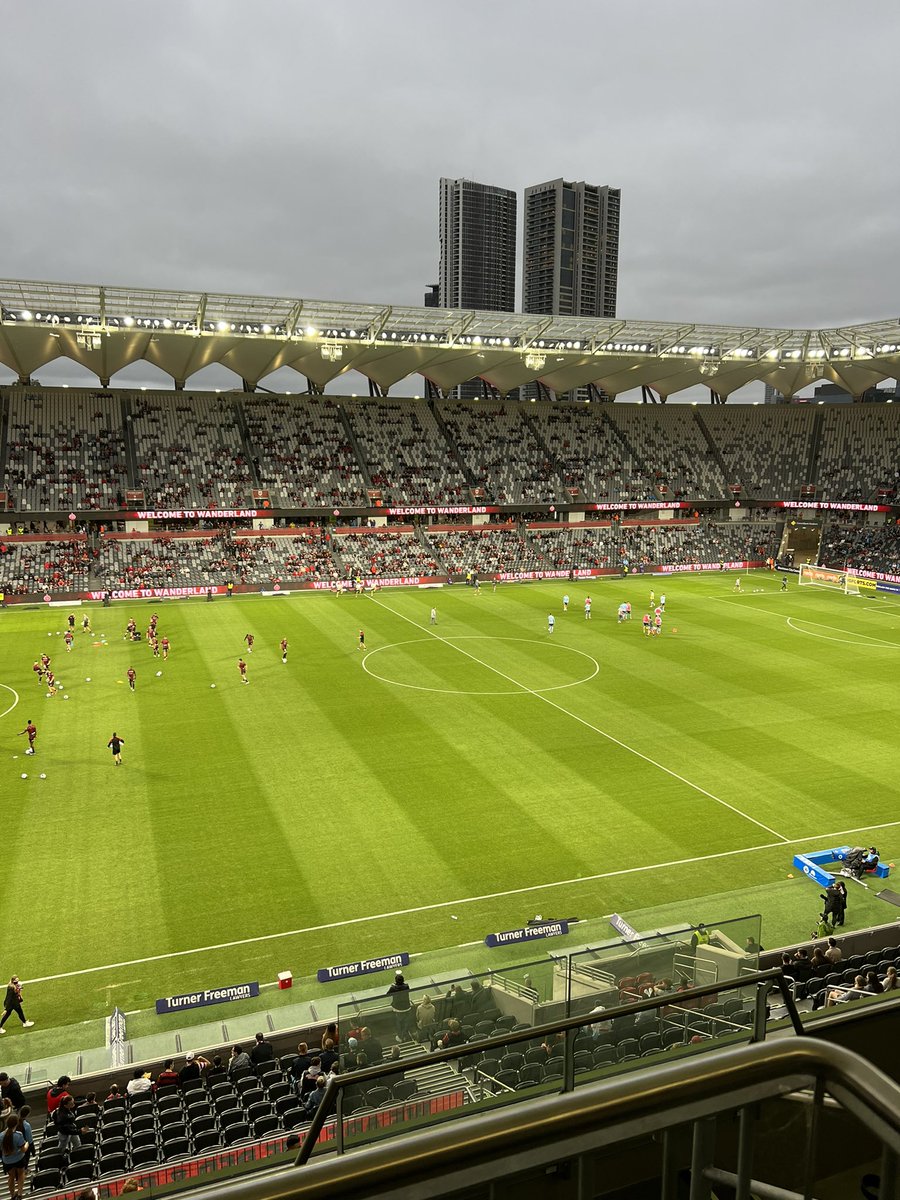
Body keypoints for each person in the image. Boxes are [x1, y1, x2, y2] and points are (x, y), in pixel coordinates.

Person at [1, 1113, 28, 1199]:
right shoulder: (18, 1135)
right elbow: (23, 1149)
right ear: (16, 1124)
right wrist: (27, 1144)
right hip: (19, 1159)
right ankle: (19, 1194)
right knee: (21, 1174)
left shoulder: (1, 1136)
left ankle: (12, 1195)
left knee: (11, 1177)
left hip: (7, 1161)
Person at [387, 971, 412, 1042]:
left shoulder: (393, 988)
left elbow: (388, 994)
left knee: (399, 1023)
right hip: (407, 1007)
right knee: (405, 1023)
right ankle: (404, 1035)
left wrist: (393, 986)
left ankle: (401, 1037)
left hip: (398, 1009)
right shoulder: (406, 986)